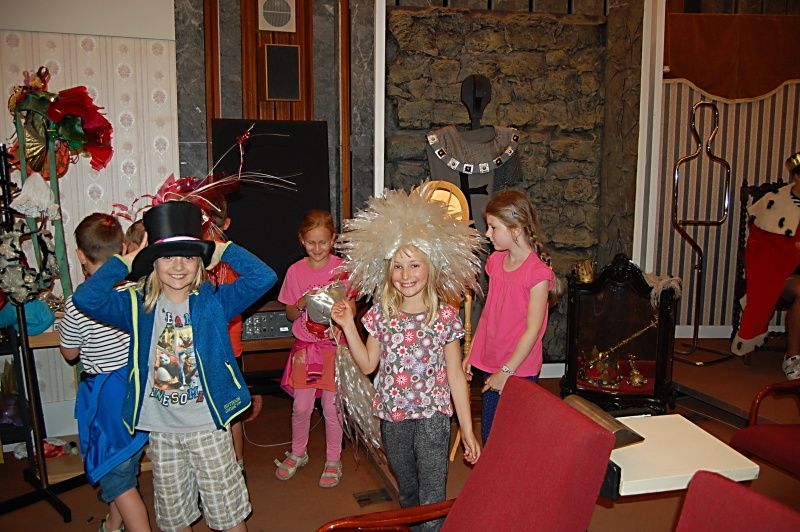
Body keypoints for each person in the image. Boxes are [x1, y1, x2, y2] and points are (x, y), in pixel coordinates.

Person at [72, 201, 277, 532]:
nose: (178, 266)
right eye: (167, 257)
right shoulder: (136, 305)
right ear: (153, 262)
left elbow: (264, 276)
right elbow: (86, 298)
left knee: (227, 515)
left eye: (189, 257)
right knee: (174, 517)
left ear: (201, 262)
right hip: (163, 431)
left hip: (208, 427)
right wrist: (125, 262)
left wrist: (223, 250)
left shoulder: (215, 301)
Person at [331, 184, 483, 532]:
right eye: (398, 266)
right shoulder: (381, 315)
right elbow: (368, 365)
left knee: (432, 491)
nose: (406, 275)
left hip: (433, 416)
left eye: (415, 265)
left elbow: (455, 375)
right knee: (408, 487)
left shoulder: (444, 317)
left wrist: (467, 429)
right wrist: (348, 326)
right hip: (393, 416)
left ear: (431, 266)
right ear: (387, 270)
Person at [59, 213, 151, 532]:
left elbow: (70, 354)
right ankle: (114, 525)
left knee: (118, 478)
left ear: (80, 255)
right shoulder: (136, 292)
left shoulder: (78, 303)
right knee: (122, 463)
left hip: (108, 397)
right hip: (139, 387)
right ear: (123, 248)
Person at [463, 189, 561, 444]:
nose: (487, 233)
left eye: (493, 227)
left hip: (518, 369)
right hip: (493, 362)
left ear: (516, 230)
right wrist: (472, 354)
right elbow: (488, 315)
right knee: (491, 433)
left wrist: (506, 371)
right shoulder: (495, 262)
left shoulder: (537, 274)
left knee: (513, 437)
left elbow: (533, 330)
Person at [274, 210, 353, 488]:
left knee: (331, 408)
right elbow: (289, 314)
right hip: (305, 350)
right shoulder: (295, 271)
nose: (317, 248)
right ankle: (298, 452)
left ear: (333, 239)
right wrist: (301, 303)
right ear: (302, 240)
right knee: (301, 406)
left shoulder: (342, 269)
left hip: (333, 348)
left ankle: (333, 459)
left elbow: (352, 308)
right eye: (311, 243)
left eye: (323, 242)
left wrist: (343, 317)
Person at [732, 151, 800, 380]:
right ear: (797, 176)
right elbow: (760, 248)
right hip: (780, 273)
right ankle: (793, 357)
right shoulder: (775, 203)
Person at [197, 190, 249, 479]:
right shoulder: (193, 258)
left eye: (213, 224)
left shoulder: (231, 259)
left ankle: (237, 466)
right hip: (203, 348)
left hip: (228, 346)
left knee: (232, 409)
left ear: (226, 224)